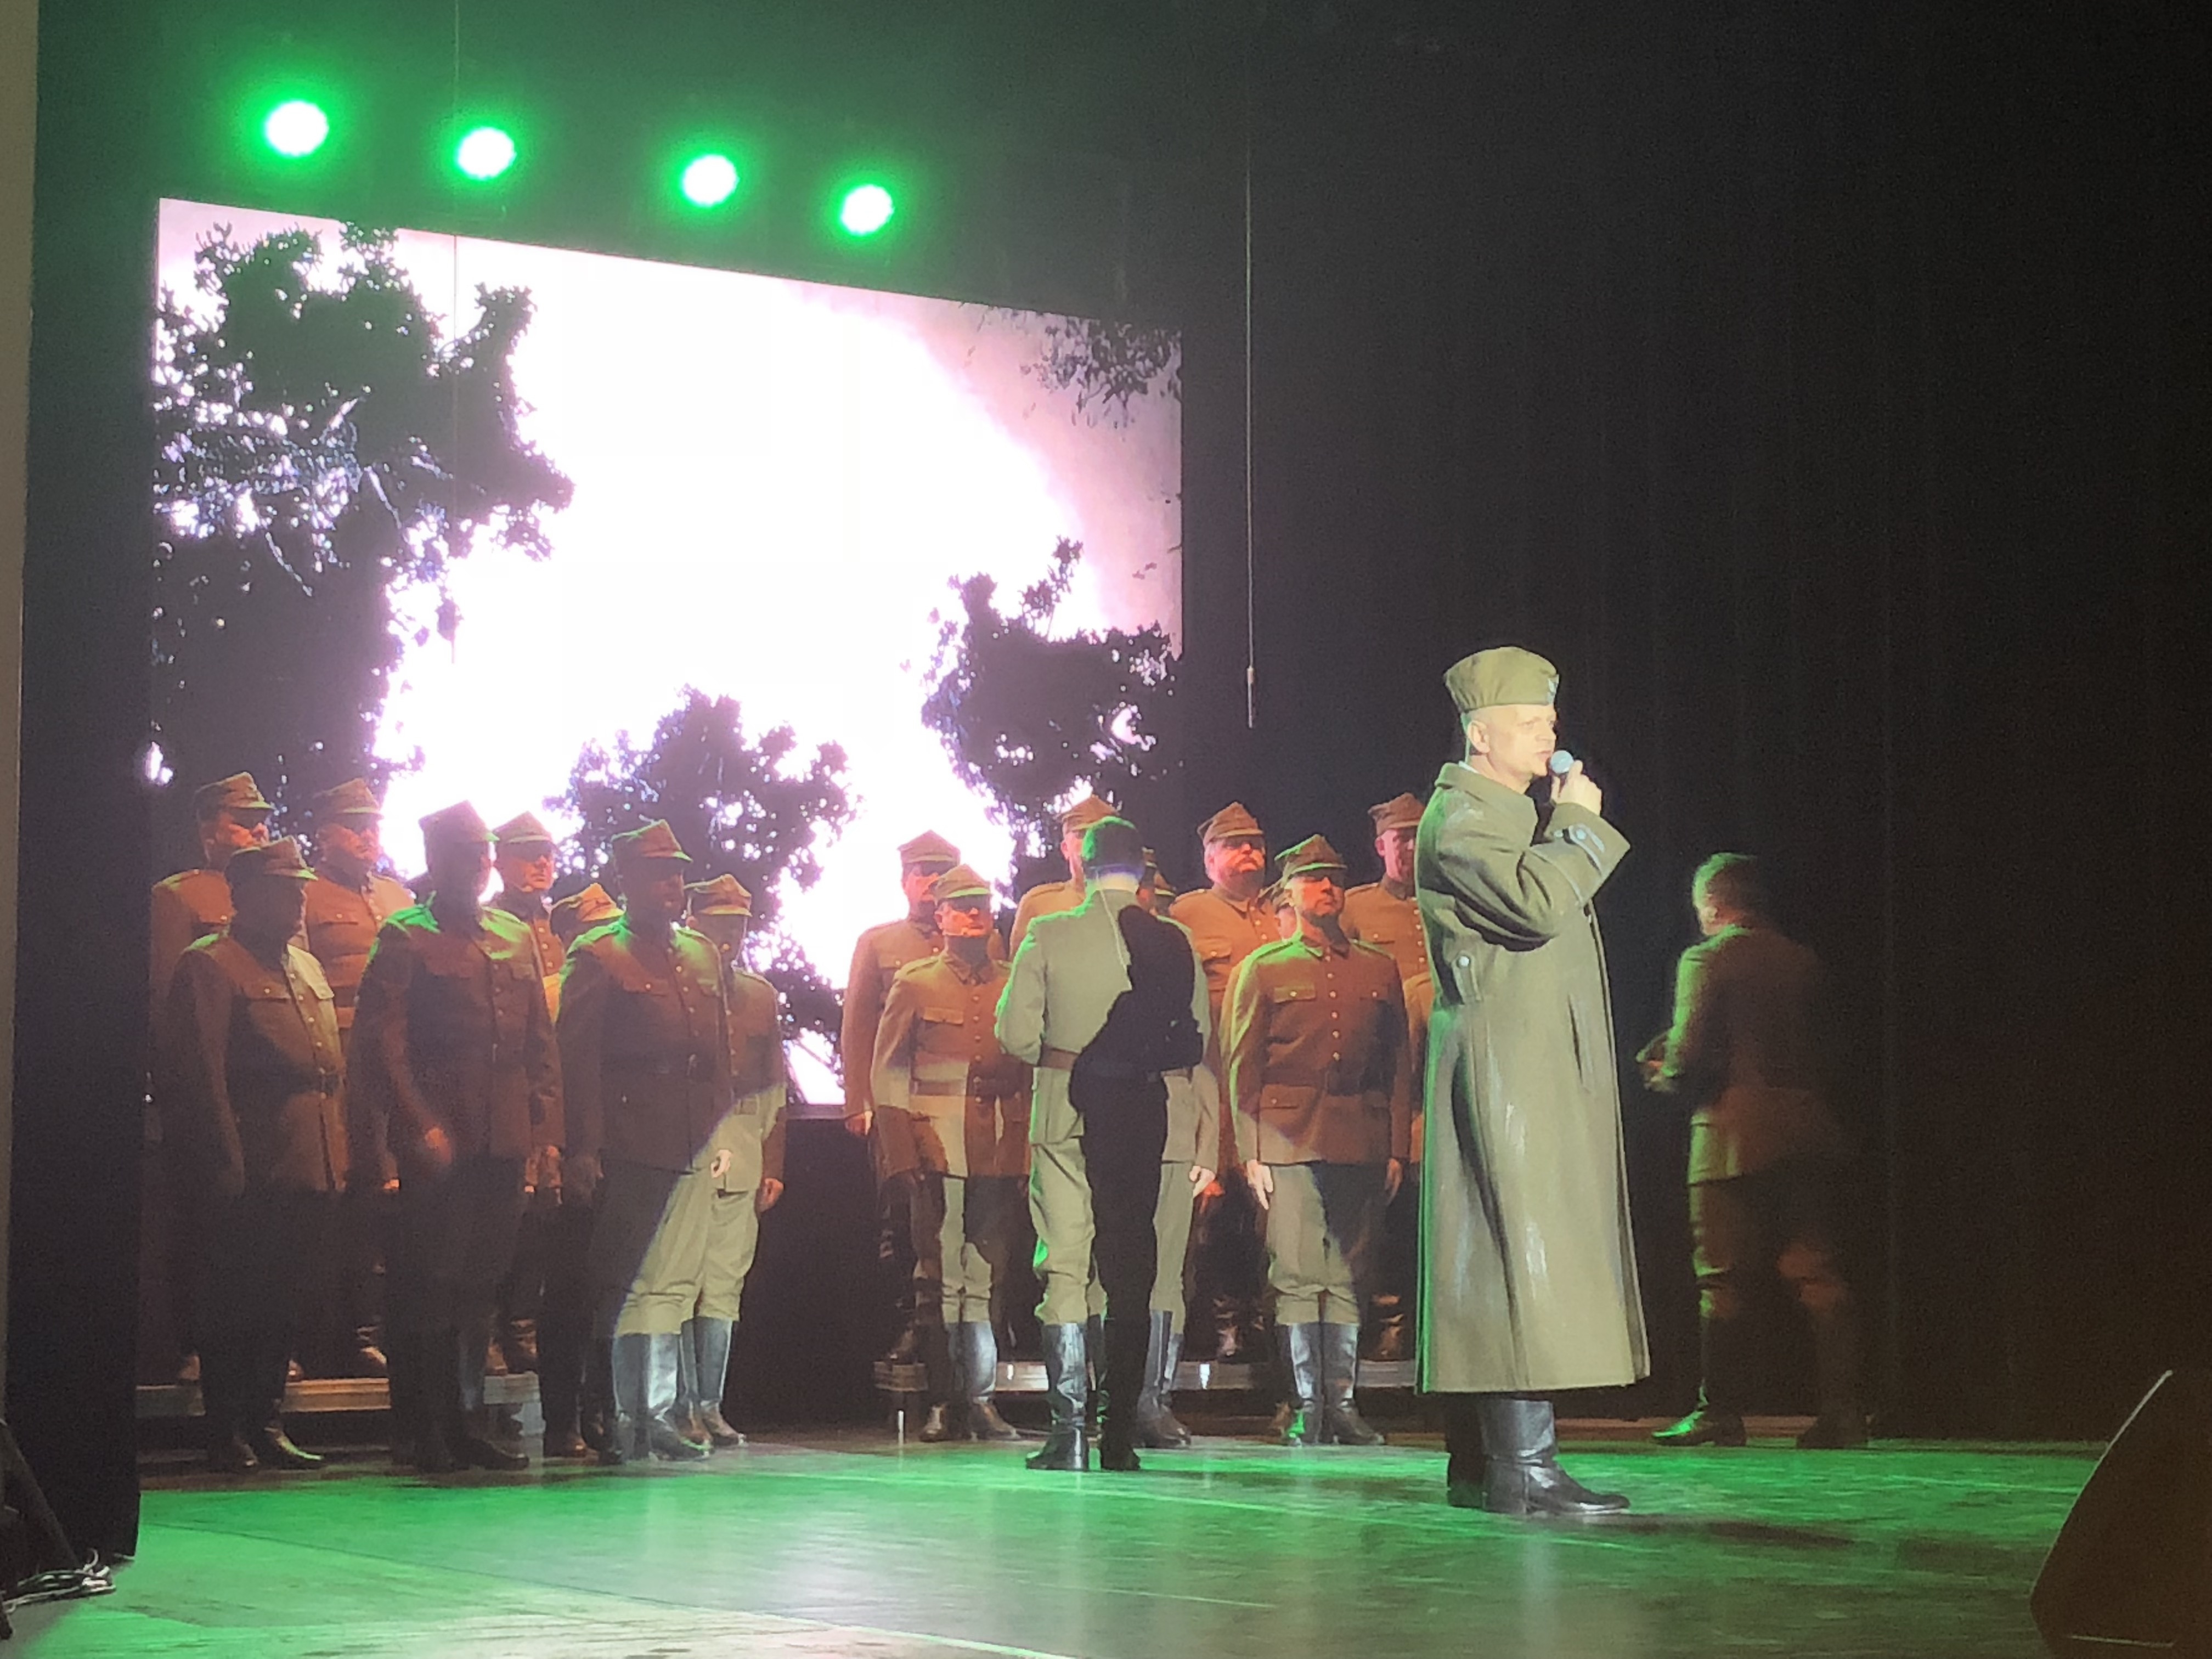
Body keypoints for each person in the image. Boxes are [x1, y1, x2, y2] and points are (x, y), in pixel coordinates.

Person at [1417, 646, 1644, 1517]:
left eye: (1550, 719)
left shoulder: (1505, 813)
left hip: (1529, 1059)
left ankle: (1483, 1463)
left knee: (1500, 1250)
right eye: (1529, 722)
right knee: (1512, 1249)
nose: (1550, 734)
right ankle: (1521, 1465)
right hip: (1506, 1064)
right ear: (1481, 736)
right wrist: (1577, 825)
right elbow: (1537, 905)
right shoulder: (1464, 819)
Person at [349, 802, 563, 1474]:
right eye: (463, 855)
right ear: (435, 861)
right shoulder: (406, 937)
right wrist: (419, 1126)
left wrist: (543, 1135)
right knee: (429, 1285)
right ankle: (424, 1428)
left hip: (502, 1138)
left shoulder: (511, 936)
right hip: (441, 1140)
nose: (476, 866)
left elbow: (539, 1047)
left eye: (482, 855)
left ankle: (468, 1422)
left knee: (480, 1285)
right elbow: (383, 1049)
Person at [998, 816, 1209, 1472]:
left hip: (1067, 1109)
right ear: (1142, 875)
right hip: (1143, 1111)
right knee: (1131, 1271)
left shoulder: (1049, 933)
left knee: (1066, 1266)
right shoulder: (1174, 940)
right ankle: (1120, 1435)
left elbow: (1014, 1035)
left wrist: (1065, 1051)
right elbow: (1195, 1037)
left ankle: (1069, 1432)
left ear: (1083, 868)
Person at [1641, 853, 1863, 1449]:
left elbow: (1687, 1057)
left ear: (1713, 903)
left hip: (1730, 1139)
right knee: (1817, 1274)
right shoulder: (1803, 961)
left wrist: (1663, 1073)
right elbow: (1833, 1052)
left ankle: (1719, 1411)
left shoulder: (1705, 960)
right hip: (1807, 1132)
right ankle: (1844, 1411)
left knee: (1721, 1280)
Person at [159, 838, 347, 1473]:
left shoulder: (307, 967)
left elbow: (329, 1072)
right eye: (285, 890)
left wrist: (338, 1152)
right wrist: (225, 1160)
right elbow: (201, 1075)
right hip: (252, 1162)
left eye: (301, 889)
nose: (299, 901)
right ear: (246, 896)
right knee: (233, 1301)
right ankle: (227, 1428)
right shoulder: (211, 965)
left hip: (307, 1159)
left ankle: (268, 1420)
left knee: (283, 1300)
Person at [1227, 836, 1410, 1448]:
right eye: (1313, 879)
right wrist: (1251, 1148)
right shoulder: (1265, 968)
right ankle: (1307, 1406)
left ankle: (1344, 1404)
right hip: (1288, 1136)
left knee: (1351, 1273)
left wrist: (1395, 1145)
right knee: (1299, 1273)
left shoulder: (1377, 968)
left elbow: (1396, 1065)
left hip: (1360, 1133)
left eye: (1334, 878)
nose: (1328, 887)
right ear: (1290, 892)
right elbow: (1244, 1066)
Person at [557, 820, 730, 1464]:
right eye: (659, 874)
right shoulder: (600, 955)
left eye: (678, 873)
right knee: (621, 1282)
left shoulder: (701, 955)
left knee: (673, 1284)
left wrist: (719, 1132)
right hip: (628, 1140)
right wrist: (583, 1148)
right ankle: (613, 1412)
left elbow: (719, 1058)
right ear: (625, 881)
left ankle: (656, 1412)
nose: (673, 885)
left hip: (687, 1138)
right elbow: (576, 1061)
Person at [870, 864, 1030, 1442]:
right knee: (938, 1277)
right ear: (939, 917)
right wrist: (900, 1152)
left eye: (982, 905)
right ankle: (941, 1398)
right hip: (936, 1145)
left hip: (998, 1143)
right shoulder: (916, 982)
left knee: (988, 1275)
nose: (974, 915)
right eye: (961, 906)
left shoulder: (1014, 980)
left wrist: (1027, 1149)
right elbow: (889, 1072)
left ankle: (980, 1399)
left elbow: (1029, 1070)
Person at [147, 770, 274, 1390]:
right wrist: (182, 1088)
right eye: (244, 822)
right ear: (209, 830)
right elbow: (165, 1001)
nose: (259, 831)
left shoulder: (271, 898)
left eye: (262, 822)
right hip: (206, 1084)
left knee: (263, 1230)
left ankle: (261, 1350)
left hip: (266, 1089)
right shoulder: (179, 897)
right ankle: (197, 1346)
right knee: (205, 1222)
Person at [298, 777, 415, 1381]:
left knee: (389, 1195)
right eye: (355, 826)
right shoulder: (305, 895)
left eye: (374, 825)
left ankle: (376, 1329)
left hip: (397, 1063)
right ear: (325, 834)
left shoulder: (398, 896)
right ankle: (334, 1335)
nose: (369, 836)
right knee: (337, 1196)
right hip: (337, 1058)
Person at [840, 831, 972, 1365]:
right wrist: (859, 1100)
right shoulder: (880, 943)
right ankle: (912, 1324)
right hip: (898, 1105)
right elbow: (858, 1026)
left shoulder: (980, 943)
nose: (931, 883)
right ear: (904, 881)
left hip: (960, 1107)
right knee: (901, 1219)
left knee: (965, 1220)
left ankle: (964, 1325)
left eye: (941, 874)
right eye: (922, 873)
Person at [678, 873, 790, 1449]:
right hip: (683, 1143)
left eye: (738, 927)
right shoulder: (671, 988)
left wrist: (773, 1161)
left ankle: (709, 1405)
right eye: (718, 925)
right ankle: (677, 1406)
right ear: (691, 923)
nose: (728, 938)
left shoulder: (759, 995)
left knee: (724, 1283)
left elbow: (774, 1084)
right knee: (678, 1284)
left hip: (743, 1144)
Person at [1168, 804, 1279, 1363]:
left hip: (1272, 1094)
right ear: (1209, 859)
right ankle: (1219, 1324)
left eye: (1255, 844)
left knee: (1268, 1219)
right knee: (1211, 1219)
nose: (1249, 853)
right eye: (1235, 845)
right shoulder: (1187, 915)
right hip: (1211, 1088)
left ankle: (1261, 1321)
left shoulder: (1281, 911)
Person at [1344, 792, 1429, 1364]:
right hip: (1386, 1074)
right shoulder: (1358, 908)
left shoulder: (1450, 903)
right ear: (1381, 847)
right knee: (1387, 1213)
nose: (1412, 847)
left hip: (1442, 1070)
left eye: (1420, 836)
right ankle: (1389, 1319)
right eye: (1402, 838)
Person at [487, 811, 565, 1381]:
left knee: (542, 1220)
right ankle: (493, 1330)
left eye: (548, 853)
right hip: (504, 1086)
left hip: (551, 1086)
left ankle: (522, 1324)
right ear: (499, 862)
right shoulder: (489, 926)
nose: (542, 863)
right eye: (528, 853)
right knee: (501, 1218)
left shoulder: (558, 928)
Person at [1009, 794, 1116, 952]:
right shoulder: (1039, 905)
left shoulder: (1135, 903)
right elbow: (1021, 966)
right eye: (1083, 835)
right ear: (1066, 849)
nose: (1093, 841)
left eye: (1102, 834)